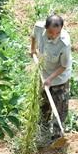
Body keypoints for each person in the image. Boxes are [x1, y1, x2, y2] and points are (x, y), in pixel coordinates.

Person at [30, 14, 72, 144]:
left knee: (59, 108)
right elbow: (33, 36)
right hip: (44, 74)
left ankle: (57, 137)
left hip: (59, 79)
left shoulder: (64, 44)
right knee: (43, 105)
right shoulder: (38, 27)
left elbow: (63, 66)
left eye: (57, 33)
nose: (53, 36)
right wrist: (32, 49)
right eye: (50, 33)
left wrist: (50, 79)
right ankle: (42, 131)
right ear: (45, 28)